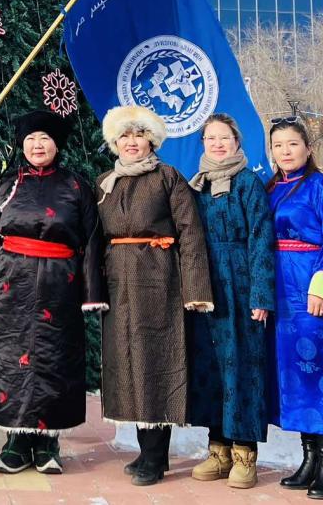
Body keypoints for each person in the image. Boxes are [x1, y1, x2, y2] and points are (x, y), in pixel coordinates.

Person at [0, 111, 106, 477]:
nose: (37, 145)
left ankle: (47, 443)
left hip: (61, 286)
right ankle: (15, 441)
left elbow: (92, 241)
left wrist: (91, 292)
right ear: (22, 145)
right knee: (10, 359)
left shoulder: (76, 186)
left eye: (44, 138)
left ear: (56, 145)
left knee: (53, 360)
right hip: (13, 284)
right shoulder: (6, 185)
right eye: (30, 139)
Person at [94, 105, 212, 487]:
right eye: (124, 136)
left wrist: (195, 290)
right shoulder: (104, 183)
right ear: (115, 142)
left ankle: (155, 456)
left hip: (159, 278)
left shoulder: (168, 177)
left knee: (157, 361)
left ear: (152, 141)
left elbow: (190, 233)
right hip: (118, 281)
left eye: (139, 135)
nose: (132, 142)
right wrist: (92, 288)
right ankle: (146, 451)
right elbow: (93, 239)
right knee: (126, 362)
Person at [186, 112, 275, 489]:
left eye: (224, 137)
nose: (218, 144)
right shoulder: (197, 186)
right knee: (211, 366)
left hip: (240, 283)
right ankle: (217, 449)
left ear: (237, 142)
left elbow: (261, 239)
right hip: (207, 287)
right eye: (211, 139)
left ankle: (244, 453)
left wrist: (261, 294)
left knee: (242, 366)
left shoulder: (249, 183)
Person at [265, 116, 323, 500]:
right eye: (278, 145)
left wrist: (321, 285)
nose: (286, 151)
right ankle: (310, 458)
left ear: (308, 148)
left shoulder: (322, 185)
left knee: (319, 369)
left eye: (293, 144)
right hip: (281, 289)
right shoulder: (271, 188)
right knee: (293, 373)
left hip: (311, 285)